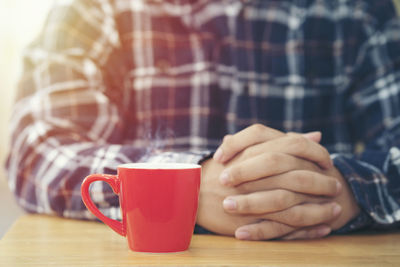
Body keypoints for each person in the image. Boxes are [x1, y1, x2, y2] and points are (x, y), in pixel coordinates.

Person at [6, 0, 400, 241]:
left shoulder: (359, 11)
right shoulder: (97, 8)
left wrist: (338, 188)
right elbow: (37, 148)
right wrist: (185, 188)